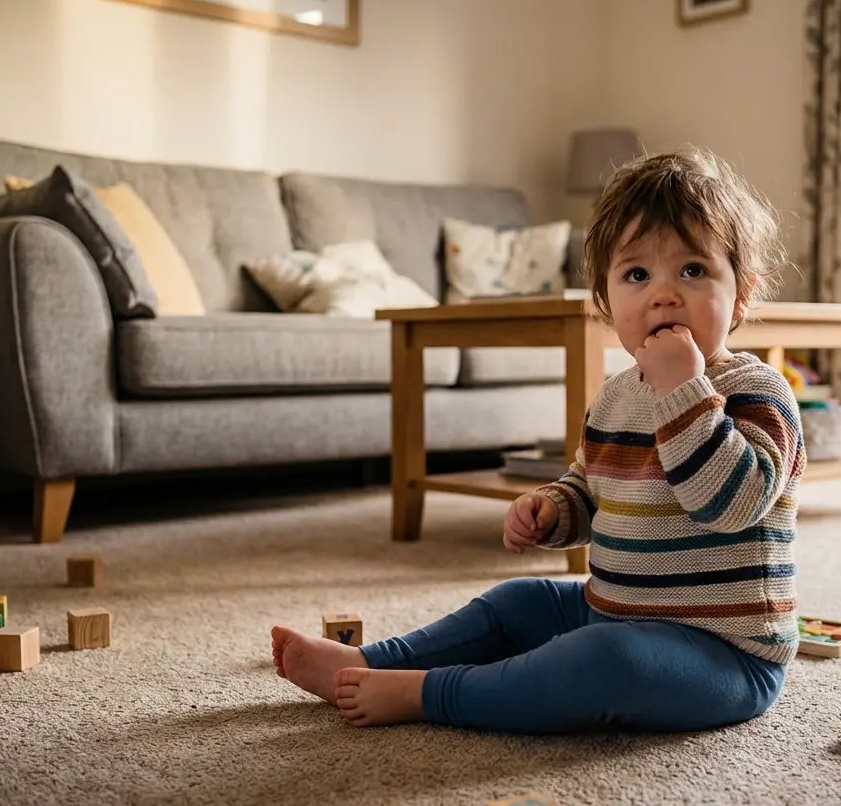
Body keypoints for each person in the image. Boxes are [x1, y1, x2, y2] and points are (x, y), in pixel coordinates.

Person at [270, 147, 805, 733]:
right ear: (606, 301)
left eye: (693, 270)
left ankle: (429, 694)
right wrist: (555, 508)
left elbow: (728, 504)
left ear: (743, 294)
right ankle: (370, 661)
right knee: (519, 601)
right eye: (636, 275)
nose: (663, 293)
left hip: (723, 654)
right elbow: (591, 487)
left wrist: (684, 388)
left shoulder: (758, 390)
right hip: (611, 609)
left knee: (603, 663)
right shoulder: (615, 396)